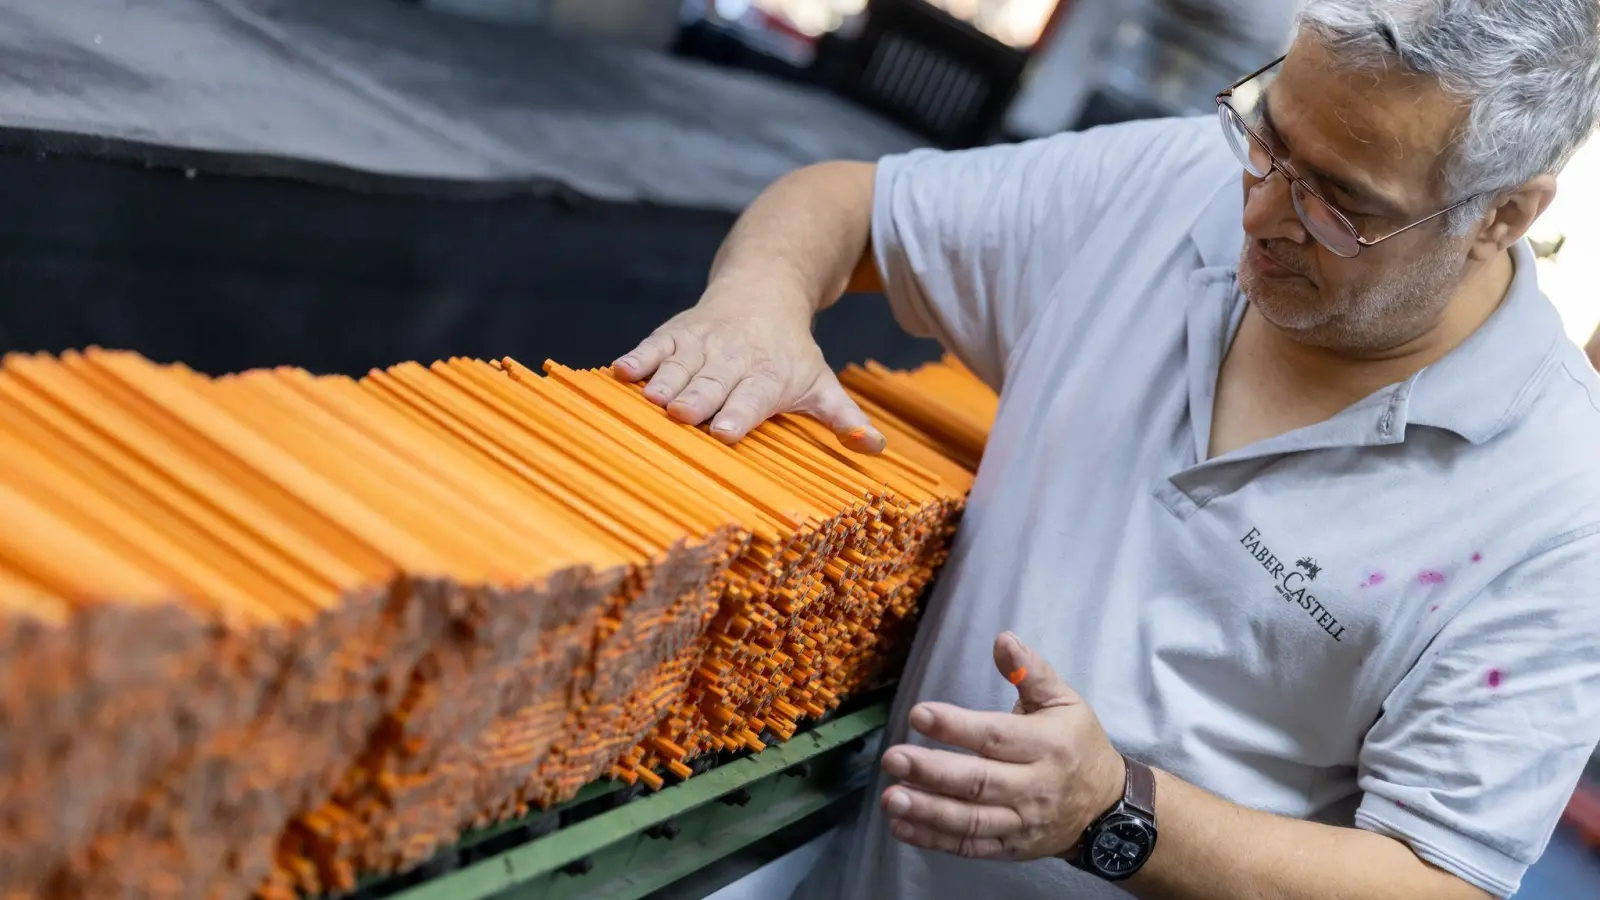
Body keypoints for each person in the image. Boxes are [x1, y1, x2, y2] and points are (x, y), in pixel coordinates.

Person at [613, 1, 1600, 897]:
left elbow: (1436, 882)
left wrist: (1114, 814)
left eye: (1338, 206)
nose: (1258, 212)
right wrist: (753, 310)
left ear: (1504, 213)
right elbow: (844, 204)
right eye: (1267, 134)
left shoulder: (1558, 504)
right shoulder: (1168, 186)